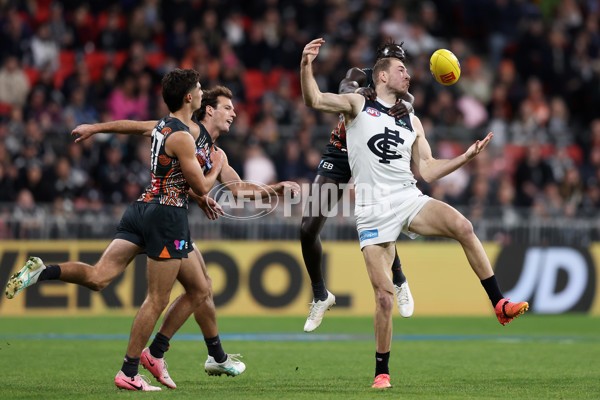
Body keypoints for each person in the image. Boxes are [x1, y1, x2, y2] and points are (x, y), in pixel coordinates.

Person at [6, 77, 298, 390]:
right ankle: (132, 369)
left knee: (103, 278)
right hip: (167, 218)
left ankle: (42, 271)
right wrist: (211, 175)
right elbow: (198, 179)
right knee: (159, 298)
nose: (234, 114)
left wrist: (275, 189)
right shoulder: (190, 135)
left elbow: (239, 189)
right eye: (227, 108)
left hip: (142, 208)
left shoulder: (182, 132)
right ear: (207, 109)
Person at [300, 38, 529, 389]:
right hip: (373, 209)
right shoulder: (358, 104)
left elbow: (429, 170)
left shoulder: (412, 119)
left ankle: (499, 303)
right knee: (382, 297)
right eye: (401, 70)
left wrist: (466, 157)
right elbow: (314, 99)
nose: (409, 75)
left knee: (464, 226)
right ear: (381, 76)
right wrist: (306, 65)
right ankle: (382, 371)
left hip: (407, 197)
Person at [302, 40, 416, 333]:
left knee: (382, 217)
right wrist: (355, 93)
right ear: (380, 65)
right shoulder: (360, 76)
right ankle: (320, 294)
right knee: (307, 227)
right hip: (341, 153)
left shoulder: (402, 95)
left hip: (374, 156)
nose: (400, 67)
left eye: (403, 62)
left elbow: (410, 103)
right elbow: (343, 87)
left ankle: (399, 278)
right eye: (394, 60)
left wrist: (406, 105)